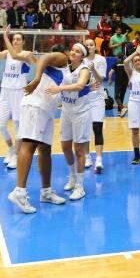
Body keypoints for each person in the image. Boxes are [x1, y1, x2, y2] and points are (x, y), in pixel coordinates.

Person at [7, 44, 69, 214]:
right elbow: (45, 58)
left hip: (47, 110)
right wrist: (36, 79)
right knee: (28, 145)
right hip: (36, 106)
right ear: (65, 52)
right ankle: (19, 192)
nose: (73, 53)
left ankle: (46, 191)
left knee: (45, 150)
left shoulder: (65, 69)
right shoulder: (62, 58)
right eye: (72, 50)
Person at [45, 43, 92, 201]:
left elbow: (80, 85)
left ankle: (80, 186)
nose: (73, 52)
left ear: (82, 56)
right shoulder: (64, 67)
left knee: (79, 150)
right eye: (72, 50)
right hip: (66, 111)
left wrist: (60, 89)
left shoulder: (84, 69)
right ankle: (72, 176)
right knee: (65, 146)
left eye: (77, 51)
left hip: (81, 113)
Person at [0, 24, 30, 169]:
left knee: (17, 125)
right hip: (5, 91)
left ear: (23, 42)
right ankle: (11, 148)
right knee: (0, 125)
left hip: (19, 92)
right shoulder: (7, 52)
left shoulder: (27, 54)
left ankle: (16, 155)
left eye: (18, 39)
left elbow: (15, 56)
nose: (16, 41)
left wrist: (5, 37)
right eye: (14, 39)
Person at [83, 38, 107, 173]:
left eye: (91, 44)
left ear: (95, 47)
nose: (89, 47)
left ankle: (99, 159)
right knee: (85, 129)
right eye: (86, 45)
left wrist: (93, 70)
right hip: (84, 99)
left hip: (97, 98)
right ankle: (87, 157)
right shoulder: (81, 60)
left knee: (97, 128)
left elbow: (100, 80)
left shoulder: (101, 60)